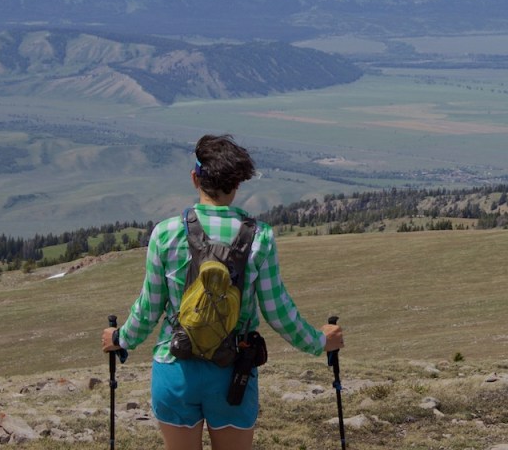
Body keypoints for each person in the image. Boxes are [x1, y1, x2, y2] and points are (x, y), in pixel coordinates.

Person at [102, 133, 344, 450]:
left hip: (175, 367)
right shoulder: (261, 237)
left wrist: (119, 339)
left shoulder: (165, 233)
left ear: (195, 178)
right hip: (233, 372)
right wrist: (321, 341)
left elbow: (149, 308)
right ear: (237, 184)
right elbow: (278, 312)